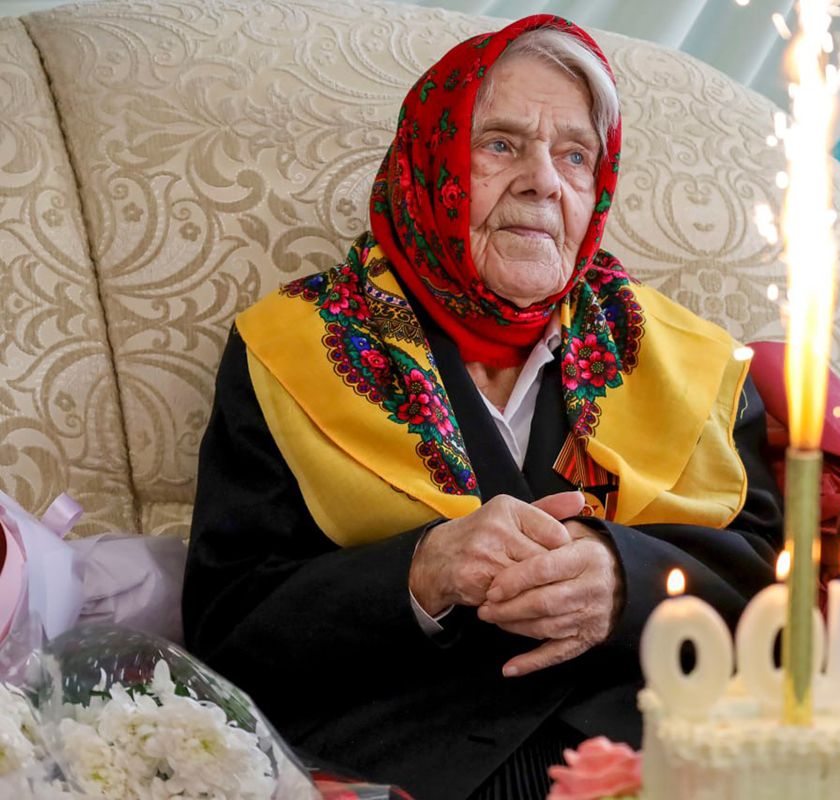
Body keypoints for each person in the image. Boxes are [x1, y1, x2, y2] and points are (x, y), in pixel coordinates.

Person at [182, 14, 782, 800]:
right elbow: (227, 632)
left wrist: (628, 581)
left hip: (662, 760)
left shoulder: (690, 360)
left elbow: (773, 583)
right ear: (428, 163)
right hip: (412, 766)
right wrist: (418, 574)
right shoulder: (292, 348)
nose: (544, 180)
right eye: (501, 144)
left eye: (575, 155)